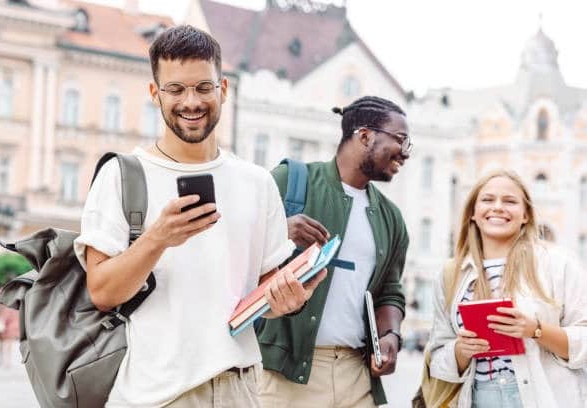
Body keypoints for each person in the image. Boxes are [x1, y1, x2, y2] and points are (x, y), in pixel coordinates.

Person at [74, 25, 325, 408]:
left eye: (203, 87)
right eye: (175, 89)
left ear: (223, 89)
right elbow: (103, 293)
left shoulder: (257, 183)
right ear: (155, 94)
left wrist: (290, 300)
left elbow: (264, 295)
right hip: (155, 395)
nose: (190, 101)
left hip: (238, 390)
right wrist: (158, 237)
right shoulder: (122, 176)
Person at [257, 96, 412, 407]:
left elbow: (390, 292)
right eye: (401, 139)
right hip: (284, 376)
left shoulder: (391, 217)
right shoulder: (290, 181)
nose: (407, 152)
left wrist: (391, 336)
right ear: (365, 135)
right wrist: (280, 229)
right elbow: (235, 243)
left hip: (356, 376)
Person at [428, 169, 587, 407]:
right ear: (473, 212)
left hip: (544, 397)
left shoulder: (559, 264)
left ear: (525, 215)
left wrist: (535, 330)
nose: (498, 207)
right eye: (488, 200)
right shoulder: (452, 273)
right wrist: (461, 351)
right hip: (479, 397)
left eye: (510, 201)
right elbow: (437, 357)